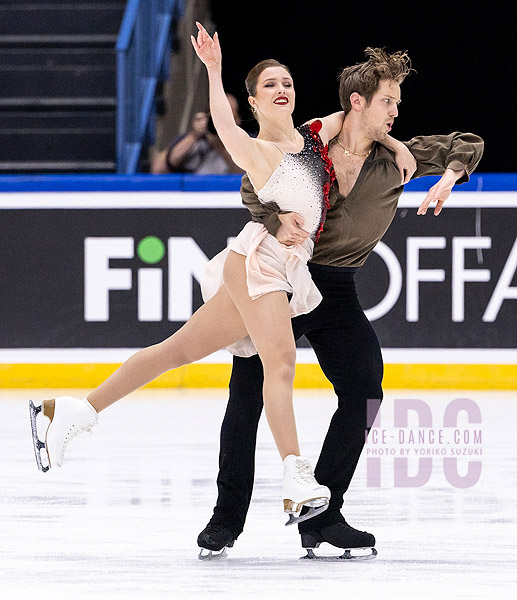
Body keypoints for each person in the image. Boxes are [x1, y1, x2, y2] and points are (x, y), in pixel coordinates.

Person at [28, 26, 412, 534]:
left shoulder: (315, 135)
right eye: (269, 85)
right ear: (253, 102)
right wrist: (213, 69)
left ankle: (72, 412)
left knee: (174, 351)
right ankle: (297, 479)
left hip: (280, 269)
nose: (282, 89)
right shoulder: (256, 149)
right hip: (261, 262)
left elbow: (361, 116)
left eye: (288, 83)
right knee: (280, 363)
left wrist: (392, 140)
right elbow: (226, 129)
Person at [197, 47, 484, 560]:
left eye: (397, 102)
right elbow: (252, 186)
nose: (396, 111)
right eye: (388, 102)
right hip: (286, 281)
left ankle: (322, 515)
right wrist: (273, 222)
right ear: (358, 102)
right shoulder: (311, 146)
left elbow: (469, 143)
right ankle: (225, 519)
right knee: (247, 396)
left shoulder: (400, 161)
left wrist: (449, 174)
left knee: (364, 390)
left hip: (340, 290)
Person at [151, 95, 243, 174]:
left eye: (227, 115)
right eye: (216, 115)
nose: (220, 122)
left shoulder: (246, 142)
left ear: (237, 119)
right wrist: (194, 136)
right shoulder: (195, 138)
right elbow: (158, 169)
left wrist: (220, 147)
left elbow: (247, 176)